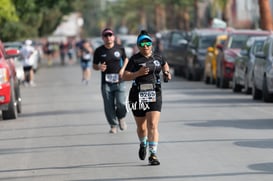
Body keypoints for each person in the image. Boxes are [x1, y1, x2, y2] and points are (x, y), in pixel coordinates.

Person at [122, 30, 171, 165]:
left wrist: (167, 73)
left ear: (151, 44)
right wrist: (137, 73)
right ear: (138, 45)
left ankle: (153, 154)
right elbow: (125, 76)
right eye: (142, 43)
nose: (145, 46)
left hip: (155, 93)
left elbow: (164, 64)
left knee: (153, 125)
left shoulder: (158, 57)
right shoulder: (134, 59)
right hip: (137, 94)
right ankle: (143, 143)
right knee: (142, 127)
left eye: (147, 43)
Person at [93, 28, 129, 134]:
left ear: (113, 37)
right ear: (103, 38)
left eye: (110, 35)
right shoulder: (99, 51)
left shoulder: (120, 48)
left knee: (121, 103)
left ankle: (121, 117)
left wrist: (123, 69)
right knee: (108, 105)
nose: (108, 37)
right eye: (106, 36)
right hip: (106, 83)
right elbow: (94, 66)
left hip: (120, 81)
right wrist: (99, 67)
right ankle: (113, 125)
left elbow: (126, 59)